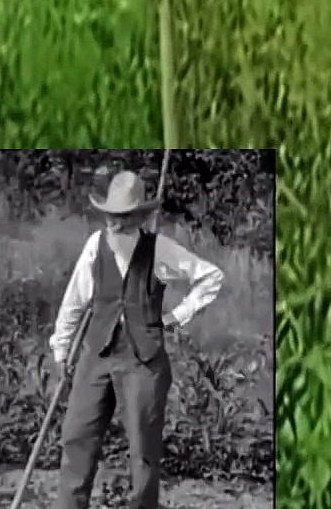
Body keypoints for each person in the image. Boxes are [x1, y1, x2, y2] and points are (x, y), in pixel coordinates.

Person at [49, 169, 225, 509]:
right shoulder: (95, 246)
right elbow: (74, 302)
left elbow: (210, 278)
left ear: (140, 216)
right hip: (96, 356)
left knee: (143, 451)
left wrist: (177, 316)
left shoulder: (159, 250)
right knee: (76, 436)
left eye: (125, 218)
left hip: (143, 362)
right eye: (111, 217)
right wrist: (61, 348)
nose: (116, 225)